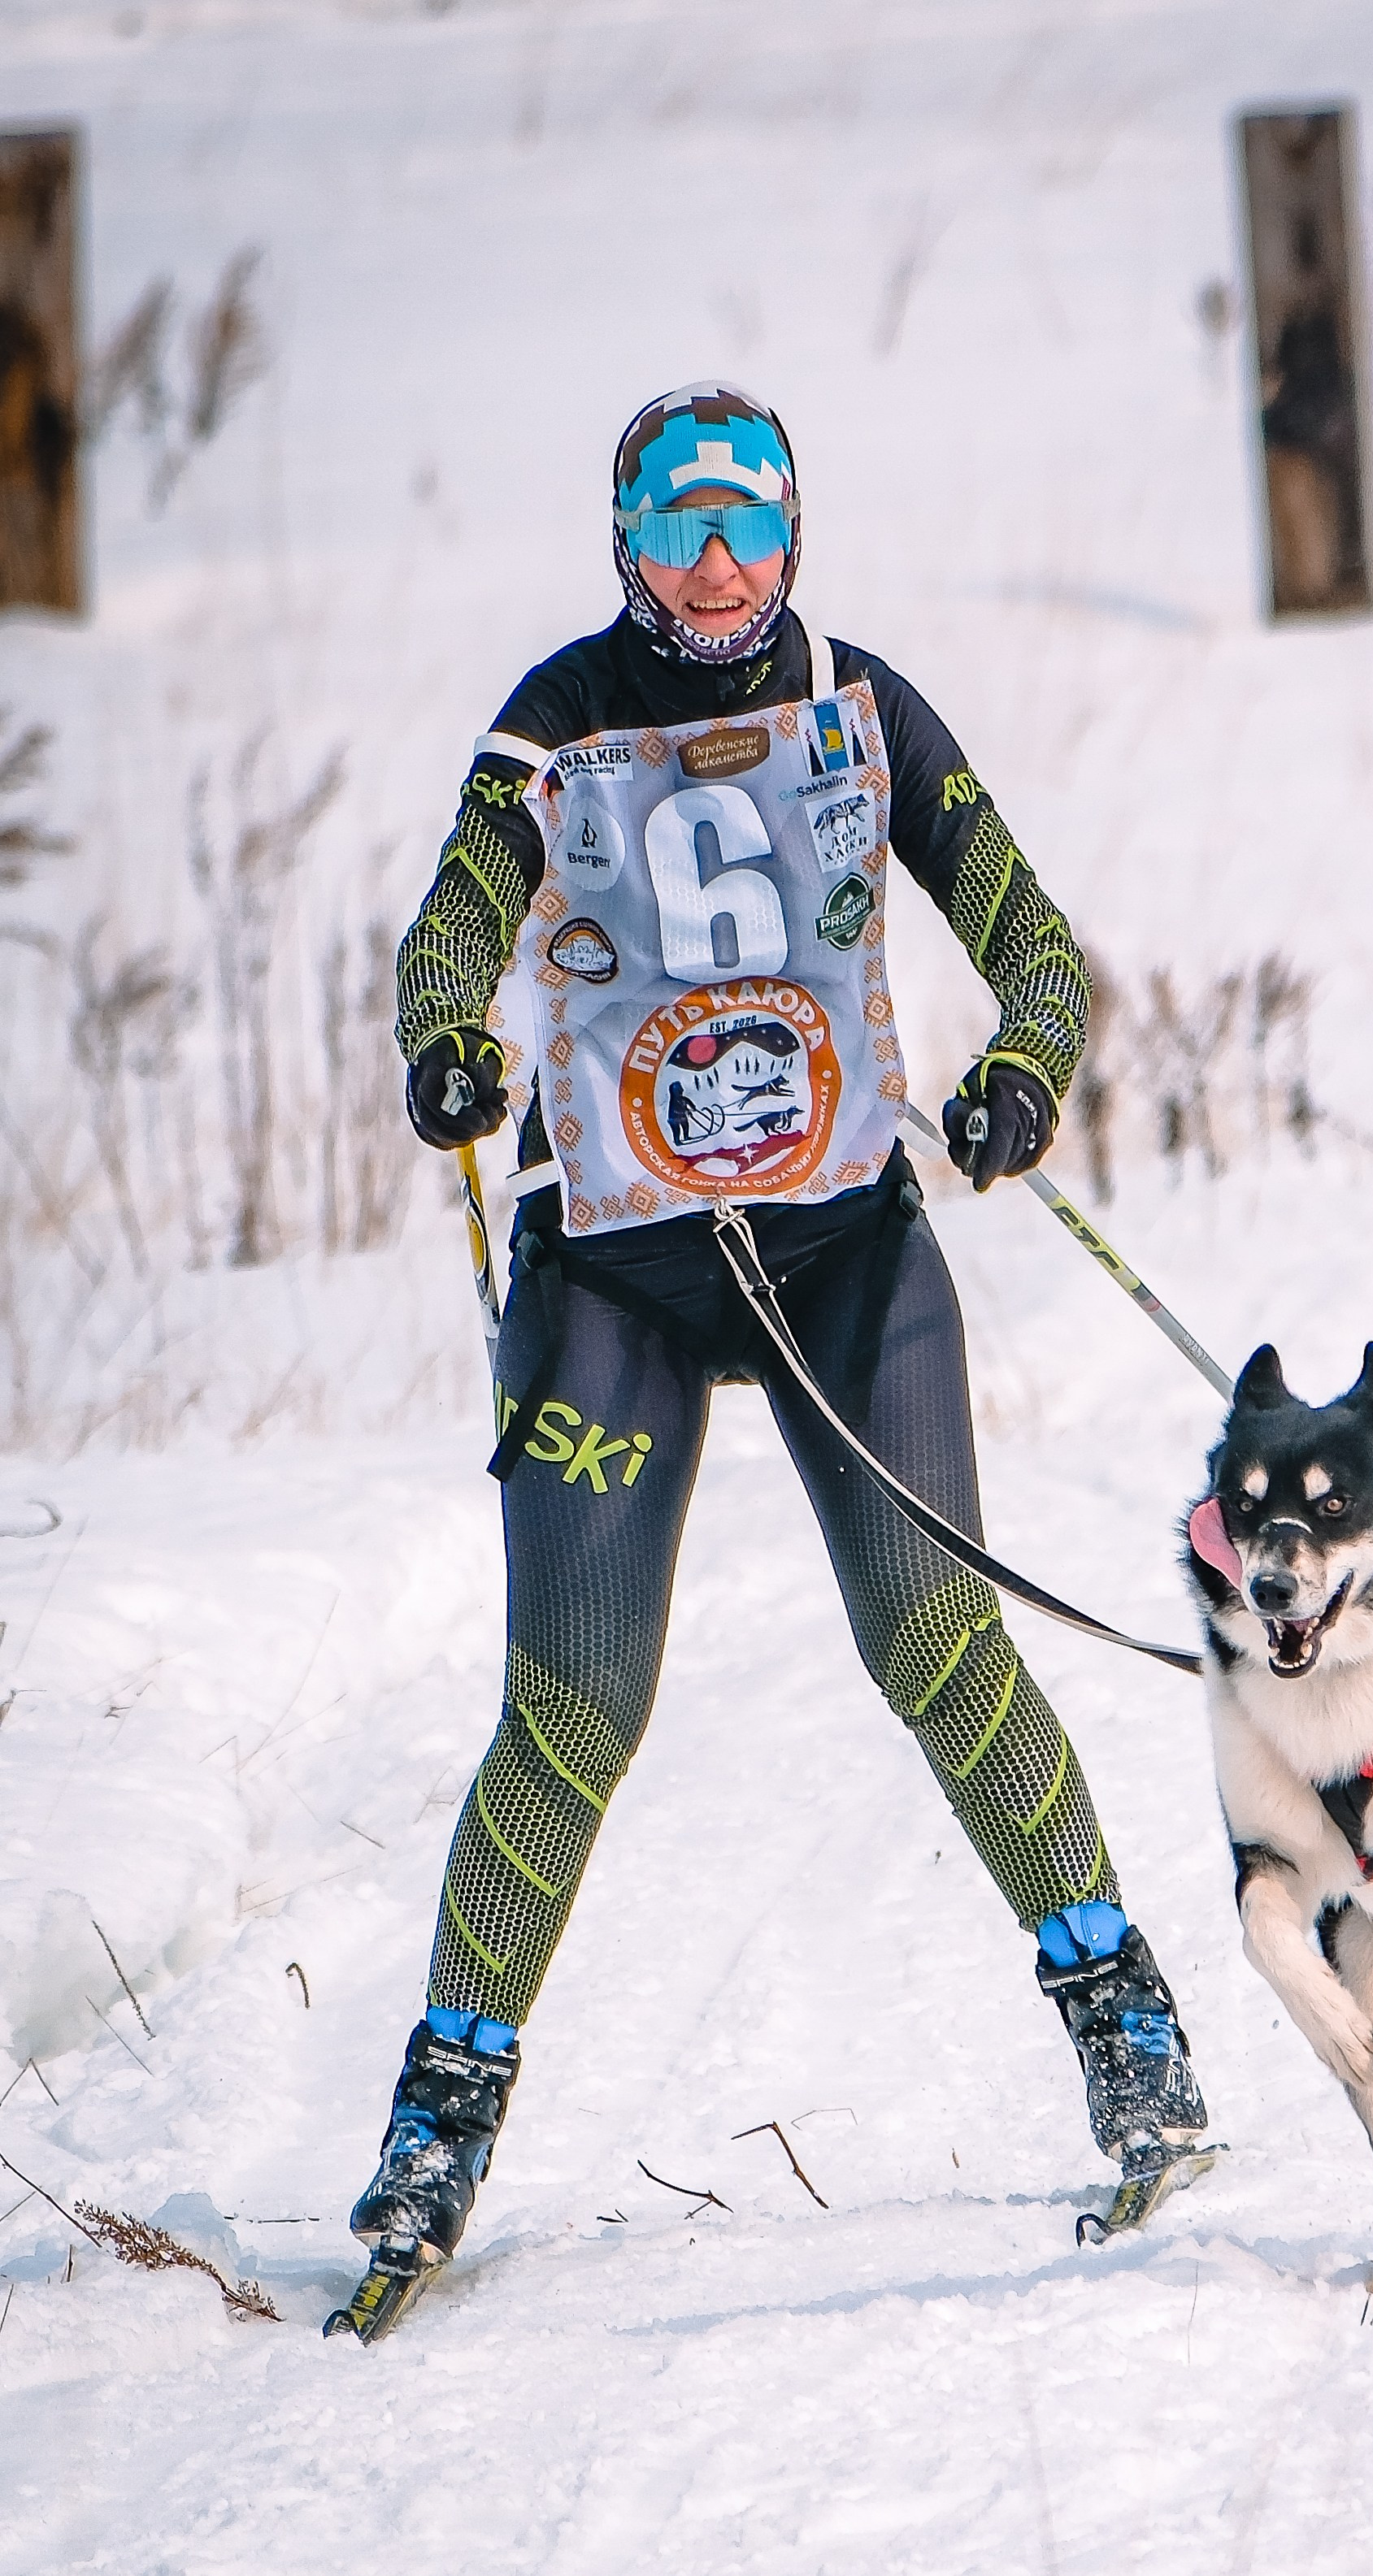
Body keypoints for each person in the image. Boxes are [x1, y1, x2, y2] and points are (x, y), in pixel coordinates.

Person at [349, 383, 1209, 2277]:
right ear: (625, 544)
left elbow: (1031, 937)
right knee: (574, 1703)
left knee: (936, 1642)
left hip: (842, 1257)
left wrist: (1025, 1071)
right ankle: (435, 2127)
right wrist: (445, 1042)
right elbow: (448, 927)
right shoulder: (554, 717)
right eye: (679, 528)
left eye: (747, 523)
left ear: (796, 532)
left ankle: (1130, 2034)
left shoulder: (861, 704)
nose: (717, 564)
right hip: (613, 1277)